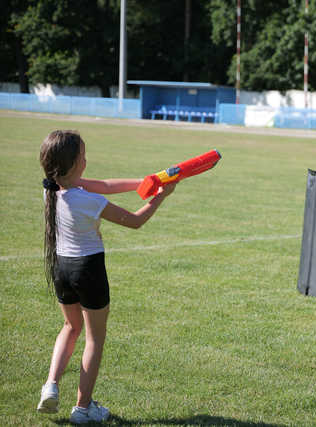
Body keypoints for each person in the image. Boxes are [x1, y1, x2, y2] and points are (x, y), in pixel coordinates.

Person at [37, 130, 177, 423]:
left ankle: (50, 385)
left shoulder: (53, 189)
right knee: (94, 339)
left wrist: (148, 182)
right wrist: (161, 197)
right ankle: (83, 408)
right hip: (88, 270)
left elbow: (104, 184)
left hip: (62, 268)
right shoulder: (86, 201)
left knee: (70, 327)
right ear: (75, 163)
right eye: (84, 157)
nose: (87, 161)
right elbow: (135, 221)